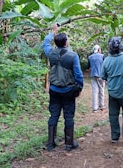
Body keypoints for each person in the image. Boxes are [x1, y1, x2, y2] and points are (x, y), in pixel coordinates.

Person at [42, 24, 84, 152]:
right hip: (68, 90)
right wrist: (79, 88)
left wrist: (53, 32)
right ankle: (69, 143)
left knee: (53, 115)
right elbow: (78, 74)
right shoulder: (73, 55)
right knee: (69, 116)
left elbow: (45, 43)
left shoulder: (51, 53)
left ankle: (50, 143)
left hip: (54, 90)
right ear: (66, 43)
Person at [87, 45, 105, 112]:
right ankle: (102, 105)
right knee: (101, 90)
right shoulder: (102, 56)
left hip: (93, 75)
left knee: (95, 91)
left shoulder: (90, 57)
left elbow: (88, 67)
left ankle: (95, 108)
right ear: (98, 50)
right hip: (101, 75)